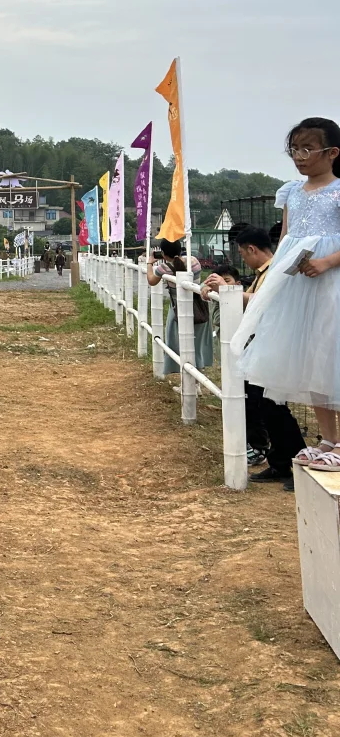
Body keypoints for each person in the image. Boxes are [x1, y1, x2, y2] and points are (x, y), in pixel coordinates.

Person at [232, 117, 340, 461]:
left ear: (332, 152)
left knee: (331, 353)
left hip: (331, 281)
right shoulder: (291, 192)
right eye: (294, 148)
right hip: (297, 284)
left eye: (307, 148)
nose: (299, 156)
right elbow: (285, 239)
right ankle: (328, 440)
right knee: (310, 357)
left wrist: (326, 262)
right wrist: (276, 277)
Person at [205, 227, 305, 489]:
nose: (242, 259)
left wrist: (227, 290)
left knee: (274, 407)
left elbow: (262, 302)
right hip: (264, 345)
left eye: (242, 253)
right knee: (265, 407)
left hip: (276, 345)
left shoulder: (276, 272)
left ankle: (296, 463)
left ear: (252, 249)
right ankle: (282, 462)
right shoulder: (263, 274)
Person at [146, 237, 214, 378]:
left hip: (178, 310)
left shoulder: (163, 268)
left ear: (163, 254)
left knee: (178, 345)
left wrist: (149, 263)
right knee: (197, 346)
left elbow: (151, 280)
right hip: (199, 308)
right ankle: (197, 384)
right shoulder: (193, 261)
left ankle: (188, 383)